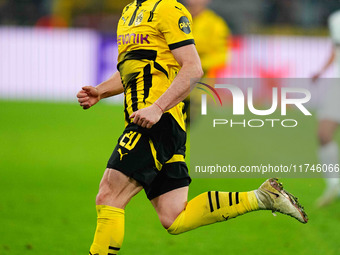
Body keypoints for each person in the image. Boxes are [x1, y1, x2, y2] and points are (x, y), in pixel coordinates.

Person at [77, 1, 308, 254]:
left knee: (109, 195)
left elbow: (193, 68)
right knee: (174, 216)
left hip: (156, 121)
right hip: (152, 119)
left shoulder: (168, 9)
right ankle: (262, 197)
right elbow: (134, 69)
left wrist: (157, 108)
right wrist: (101, 90)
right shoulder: (129, 12)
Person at [312, 10, 340, 207]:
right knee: (323, 134)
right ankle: (334, 184)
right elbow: (336, 49)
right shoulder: (336, 19)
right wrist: (322, 70)